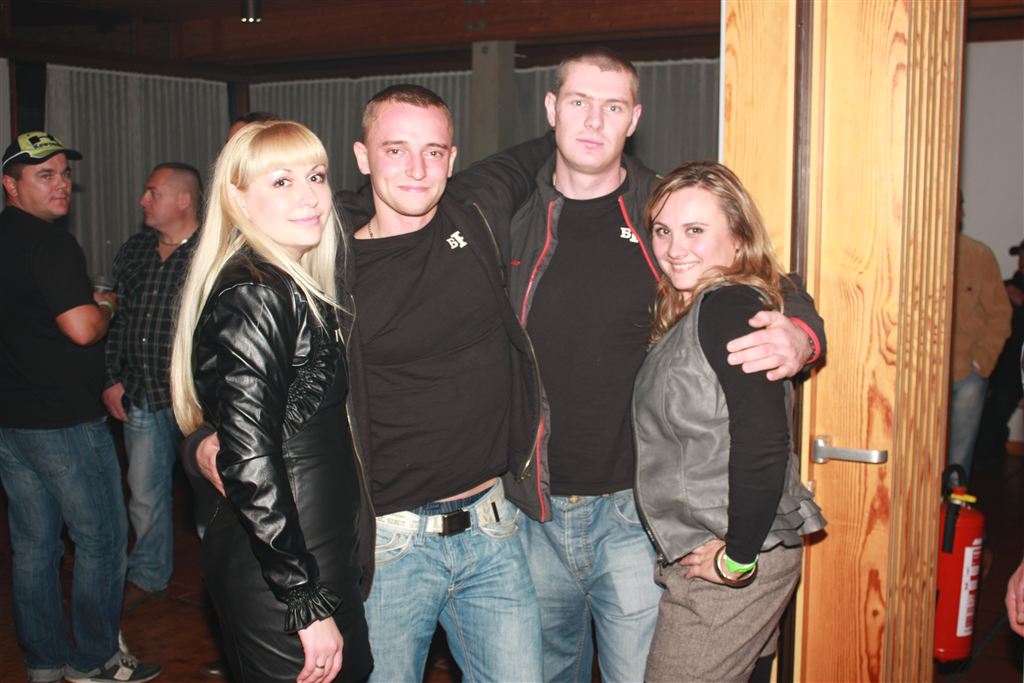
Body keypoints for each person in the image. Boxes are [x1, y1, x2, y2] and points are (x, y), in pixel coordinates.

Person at [188, 85, 553, 682]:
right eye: (395, 150)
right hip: (387, 544)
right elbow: (235, 365)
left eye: (434, 151)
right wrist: (203, 438)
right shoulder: (324, 257)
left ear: (453, 159)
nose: (417, 169)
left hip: (493, 531)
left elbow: (559, 146)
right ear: (361, 157)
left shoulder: (477, 212)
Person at [508, 47, 826, 682]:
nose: (593, 120)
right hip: (534, 511)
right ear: (551, 109)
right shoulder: (509, 215)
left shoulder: (664, 207)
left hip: (639, 515)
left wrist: (801, 335)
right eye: (578, 102)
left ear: (635, 118)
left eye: (613, 107)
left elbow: (766, 281)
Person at [169, 120, 372, 682]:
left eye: (316, 176)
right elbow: (250, 459)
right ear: (238, 198)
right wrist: (303, 600)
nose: (309, 196)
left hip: (312, 555)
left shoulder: (293, 284)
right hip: (283, 571)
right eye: (281, 181)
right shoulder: (258, 293)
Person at [632, 161, 827, 683]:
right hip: (740, 546)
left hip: (730, 556)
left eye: (696, 230)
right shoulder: (702, 303)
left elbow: (763, 439)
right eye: (663, 231)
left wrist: (737, 559)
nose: (675, 248)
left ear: (738, 239)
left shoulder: (729, 306)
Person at [0, 131, 160, 683]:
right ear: (11, 186)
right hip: (64, 421)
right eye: (44, 175)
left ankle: (45, 661)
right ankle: (95, 660)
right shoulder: (50, 245)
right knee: (102, 541)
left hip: (12, 421)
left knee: (33, 547)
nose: (62, 184)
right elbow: (83, 328)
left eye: (65, 173)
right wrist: (106, 304)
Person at [103, 162, 201, 610]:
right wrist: (111, 379)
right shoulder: (136, 249)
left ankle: (223, 588)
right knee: (144, 494)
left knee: (212, 498)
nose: (142, 200)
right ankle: (148, 575)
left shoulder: (212, 250)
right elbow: (119, 318)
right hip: (140, 393)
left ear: (183, 199)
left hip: (196, 403)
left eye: (152, 192)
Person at [948, 192, 1012, 483]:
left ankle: (954, 504)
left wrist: (981, 362)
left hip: (965, 373)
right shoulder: (913, 254)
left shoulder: (979, 255)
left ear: (961, 212)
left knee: (958, 457)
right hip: (921, 376)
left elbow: (1000, 315)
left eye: (957, 205)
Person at [974, 238, 1024, 462]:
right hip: (996, 364)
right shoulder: (1006, 285)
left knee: (996, 409)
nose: (1022, 261)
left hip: (1015, 372)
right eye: (1021, 256)